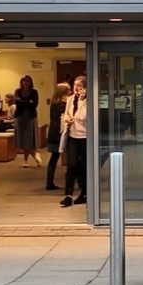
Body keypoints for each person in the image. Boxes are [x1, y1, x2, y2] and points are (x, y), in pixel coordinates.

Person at [60, 75, 87, 207]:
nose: (76, 88)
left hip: (86, 137)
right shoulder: (70, 99)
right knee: (71, 165)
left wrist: (83, 99)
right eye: (75, 85)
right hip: (73, 136)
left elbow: (84, 116)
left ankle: (84, 193)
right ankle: (68, 195)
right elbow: (66, 114)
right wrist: (67, 119)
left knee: (83, 167)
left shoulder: (88, 100)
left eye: (80, 86)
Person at [46, 82, 71, 191]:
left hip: (53, 133)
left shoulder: (53, 103)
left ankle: (49, 181)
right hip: (61, 133)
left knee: (53, 158)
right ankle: (70, 178)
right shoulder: (63, 104)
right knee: (71, 157)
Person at [14, 75, 41, 167]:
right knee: (23, 140)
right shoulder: (17, 91)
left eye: (28, 80)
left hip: (30, 117)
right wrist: (27, 101)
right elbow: (17, 103)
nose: (26, 82)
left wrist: (22, 101)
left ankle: (27, 160)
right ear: (21, 82)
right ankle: (34, 156)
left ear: (31, 82)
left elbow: (34, 104)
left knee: (29, 139)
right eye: (24, 81)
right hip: (20, 117)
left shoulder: (34, 92)